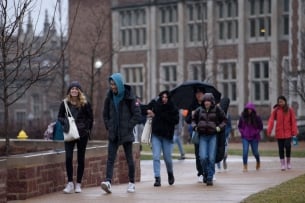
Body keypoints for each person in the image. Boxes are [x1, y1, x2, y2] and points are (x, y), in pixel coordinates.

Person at [101, 73, 142, 193]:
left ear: (119, 84)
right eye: (111, 84)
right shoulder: (109, 97)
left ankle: (131, 183)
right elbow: (105, 114)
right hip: (114, 133)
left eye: (114, 84)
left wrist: (129, 126)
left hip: (126, 133)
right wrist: (109, 126)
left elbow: (137, 114)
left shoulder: (130, 97)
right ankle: (108, 182)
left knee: (129, 158)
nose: (112, 86)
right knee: (110, 159)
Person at [58, 81, 93, 194]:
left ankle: (78, 183)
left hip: (82, 134)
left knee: (80, 159)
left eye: (76, 89)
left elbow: (90, 118)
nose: (74, 90)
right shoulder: (65, 103)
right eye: (72, 88)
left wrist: (86, 129)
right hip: (70, 133)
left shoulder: (85, 103)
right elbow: (59, 116)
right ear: (69, 91)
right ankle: (70, 183)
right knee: (68, 157)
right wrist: (66, 122)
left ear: (79, 91)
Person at [191, 93, 227, 186]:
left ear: (211, 102)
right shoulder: (199, 110)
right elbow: (193, 120)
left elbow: (224, 120)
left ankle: (210, 177)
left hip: (213, 136)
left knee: (211, 158)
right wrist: (195, 127)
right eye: (205, 101)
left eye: (208, 101)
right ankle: (205, 173)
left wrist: (219, 128)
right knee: (202, 157)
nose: (207, 103)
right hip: (202, 136)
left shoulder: (217, 109)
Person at [146, 90, 179, 187]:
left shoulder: (173, 108)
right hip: (156, 134)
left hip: (167, 136)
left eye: (166, 97)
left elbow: (175, 120)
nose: (164, 99)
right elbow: (145, 108)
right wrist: (147, 110)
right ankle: (157, 178)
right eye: (162, 97)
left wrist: (157, 115)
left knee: (167, 159)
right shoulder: (156, 104)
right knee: (156, 156)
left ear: (169, 98)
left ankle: (170, 173)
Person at [266, 95, 298, 171]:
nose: (280, 103)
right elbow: (271, 121)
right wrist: (269, 130)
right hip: (279, 133)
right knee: (280, 149)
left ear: (285, 101)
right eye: (279, 102)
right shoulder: (276, 111)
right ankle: (282, 164)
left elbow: (293, 122)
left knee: (288, 147)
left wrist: (294, 132)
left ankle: (288, 162)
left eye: (282, 101)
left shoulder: (290, 110)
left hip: (288, 133)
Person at [185, 88, 205, 182]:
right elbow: (187, 120)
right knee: (198, 154)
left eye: (200, 93)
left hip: (207, 132)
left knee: (207, 154)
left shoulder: (208, 103)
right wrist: (191, 116)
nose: (199, 95)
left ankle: (209, 172)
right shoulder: (192, 105)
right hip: (197, 132)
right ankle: (200, 173)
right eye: (197, 93)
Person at [238, 102, 263, 172]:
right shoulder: (242, 117)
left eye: (250, 109)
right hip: (245, 137)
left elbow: (260, 127)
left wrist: (256, 132)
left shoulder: (257, 117)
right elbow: (239, 126)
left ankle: (258, 161)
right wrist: (242, 132)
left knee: (255, 152)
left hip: (254, 137)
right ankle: (245, 166)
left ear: (253, 110)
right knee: (245, 151)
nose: (249, 110)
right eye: (248, 109)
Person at [216, 98, 232, 171]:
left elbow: (229, 125)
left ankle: (224, 160)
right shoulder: (217, 111)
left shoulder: (228, 115)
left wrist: (227, 133)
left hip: (225, 135)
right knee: (218, 149)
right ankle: (218, 165)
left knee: (225, 151)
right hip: (218, 134)